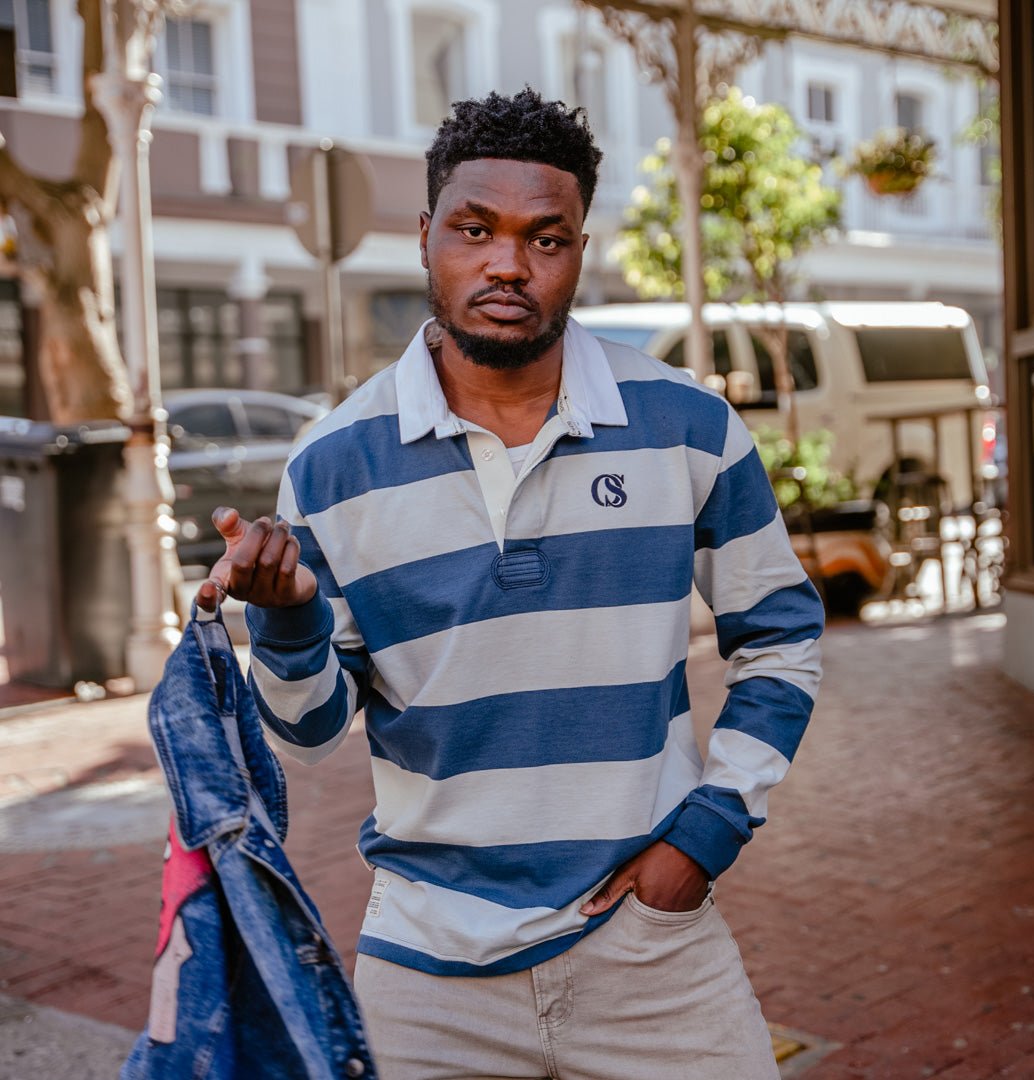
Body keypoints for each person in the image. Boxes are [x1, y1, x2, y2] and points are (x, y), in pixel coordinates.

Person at [198, 88, 824, 1080]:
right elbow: (311, 733)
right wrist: (286, 623)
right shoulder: (332, 464)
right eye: (475, 229)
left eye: (546, 238)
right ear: (425, 237)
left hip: (652, 950)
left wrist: (707, 834)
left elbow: (782, 637)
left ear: (580, 250)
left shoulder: (688, 426)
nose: (506, 263)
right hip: (427, 975)